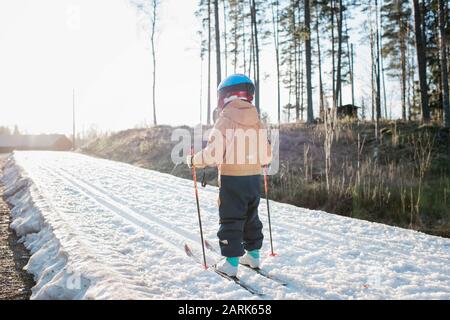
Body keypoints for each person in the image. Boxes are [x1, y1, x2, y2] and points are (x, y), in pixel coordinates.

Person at [187, 74, 272, 277]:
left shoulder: (225, 120)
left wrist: (194, 161)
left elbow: (213, 153)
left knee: (231, 217)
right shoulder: (257, 122)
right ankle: (253, 255)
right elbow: (267, 154)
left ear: (224, 96)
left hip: (232, 178)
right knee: (251, 216)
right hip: (253, 178)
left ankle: (231, 263)